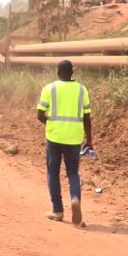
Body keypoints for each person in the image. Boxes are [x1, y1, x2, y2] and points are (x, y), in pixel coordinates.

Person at [36, 60, 92, 226]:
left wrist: (52, 124)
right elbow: (87, 118)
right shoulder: (82, 90)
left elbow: (40, 114)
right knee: (73, 172)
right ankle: (75, 198)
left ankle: (58, 210)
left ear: (58, 72)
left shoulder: (49, 88)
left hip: (54, 137)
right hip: (74, 138)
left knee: (53, 173)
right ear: (72, 73)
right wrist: (90, 140)